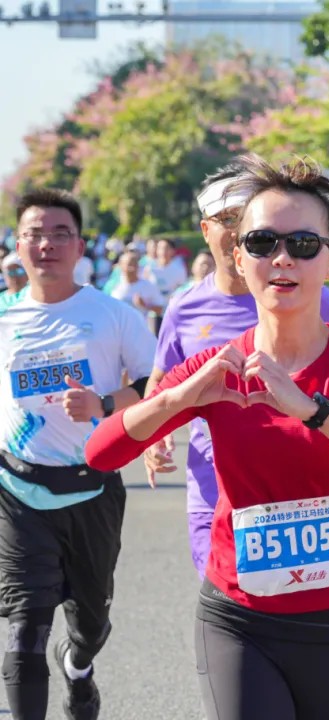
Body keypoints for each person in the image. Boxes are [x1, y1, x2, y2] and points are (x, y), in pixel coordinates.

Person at [86, 154, 329, 720]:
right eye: (263, 242)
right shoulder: (215, 368)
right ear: (240, 259)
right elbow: (101, 453)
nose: (282, 258)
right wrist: (174, 399)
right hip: (238, 617)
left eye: (304, 244)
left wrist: (312, 411)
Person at [142, 161, 329, 578]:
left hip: (297, 491)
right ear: (206, 230)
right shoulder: (184, 307)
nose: (238, 228)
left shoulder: (313, 298)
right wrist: (155, 435)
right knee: (222, 600)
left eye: (246, 217)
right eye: (227, 219)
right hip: (213, 490)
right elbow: (162, 380)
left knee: (296, 605)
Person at [0, 188, 156, 720]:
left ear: (80, 246)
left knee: (90, 626)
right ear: (18, 245)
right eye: (35, 234)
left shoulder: (112, 314)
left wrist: (104, 404)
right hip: (18, 491)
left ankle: (78, 666)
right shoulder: (4, 318)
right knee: (25, 626)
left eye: (59, 234)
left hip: (93, 488)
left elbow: (156, 384)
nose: (47, 244)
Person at [109, 250, 166, 325]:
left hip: (141, 329)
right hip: (119, 329)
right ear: (121, 266)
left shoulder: (148, 286)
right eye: (129, 264)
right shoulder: (113, 285)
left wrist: (145, 305)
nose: (132, 268)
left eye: (135, 264)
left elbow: (161, 309)